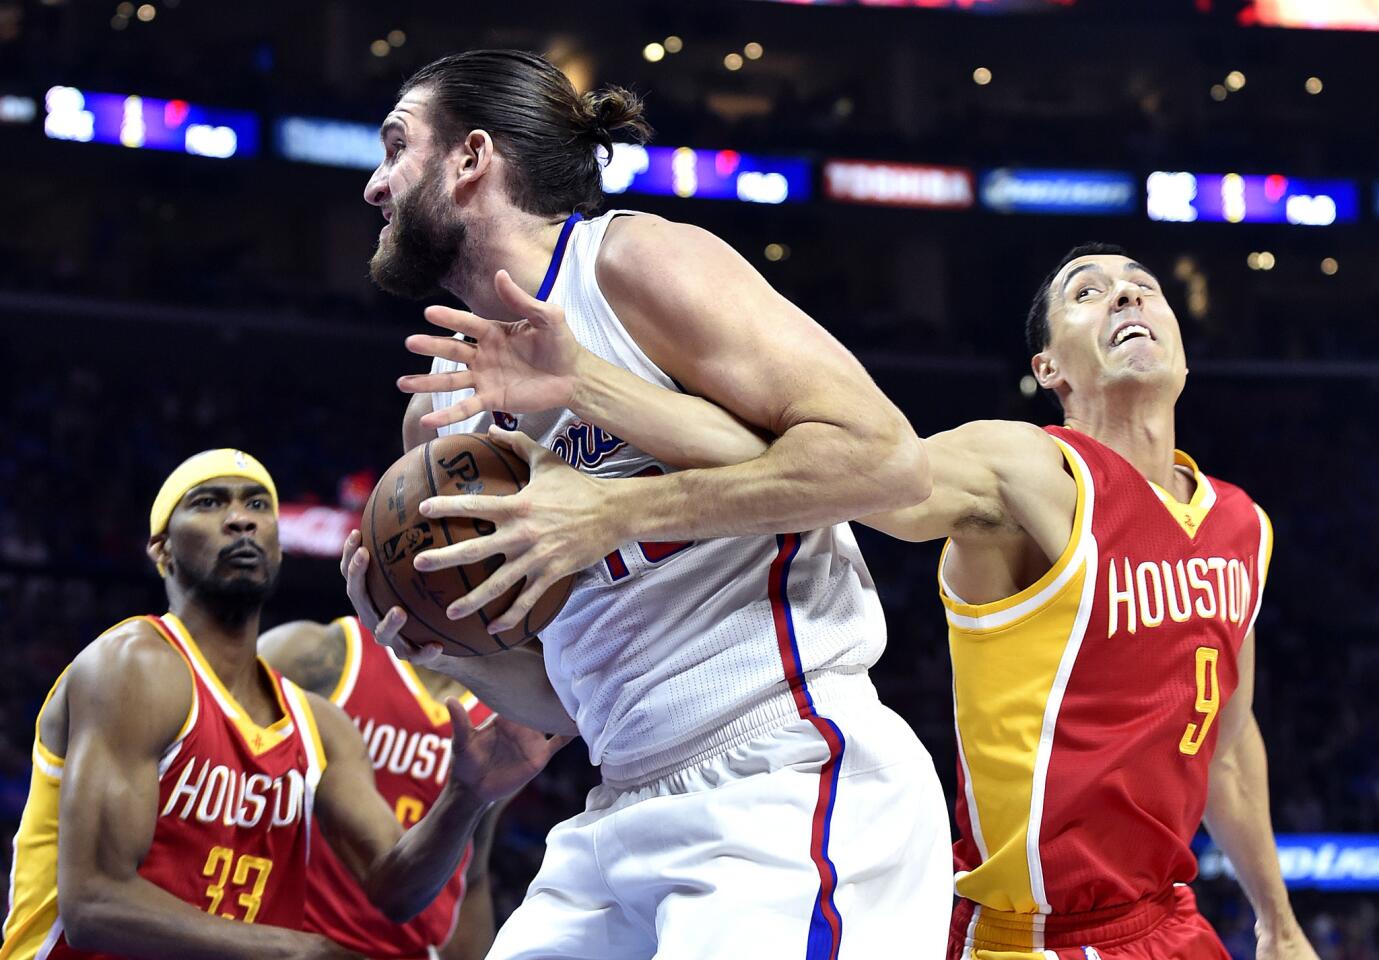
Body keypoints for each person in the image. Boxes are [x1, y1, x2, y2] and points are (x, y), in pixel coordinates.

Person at [411, 240, 1319, 959]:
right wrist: (594, 388)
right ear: (1049, 368)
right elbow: (854, 472)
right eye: (1089, 291)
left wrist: (1275, 921)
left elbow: (1227, 741)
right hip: (1030, 933)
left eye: (1143, 285)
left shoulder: (1242, 525)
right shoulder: (1024, 467)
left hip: (1170, 920)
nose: (1125, 296)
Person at [347, 48, 952, 959]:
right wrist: (445, 651)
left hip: (786, 769)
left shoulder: (628, 263)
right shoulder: (436, 415)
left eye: (396, 146)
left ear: (470, 158)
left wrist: (610, 504)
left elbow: (889, 468)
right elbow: (565, 699)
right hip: (621, 798)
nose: (373, 185)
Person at [1, 449, 565, 960]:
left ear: (276, 545)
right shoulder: (131, 664)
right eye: (207, 502)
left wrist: (464, 798)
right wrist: (300, 951)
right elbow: (93, 904)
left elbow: (397, 893)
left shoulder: (318, 725)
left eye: (256, 504)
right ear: (161, 549)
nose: (240, 517)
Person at [259, 616, 504, 960]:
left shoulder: (505, 712)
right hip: (297, 942)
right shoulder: (316, 653)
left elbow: (472, 871)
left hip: (411, 948)